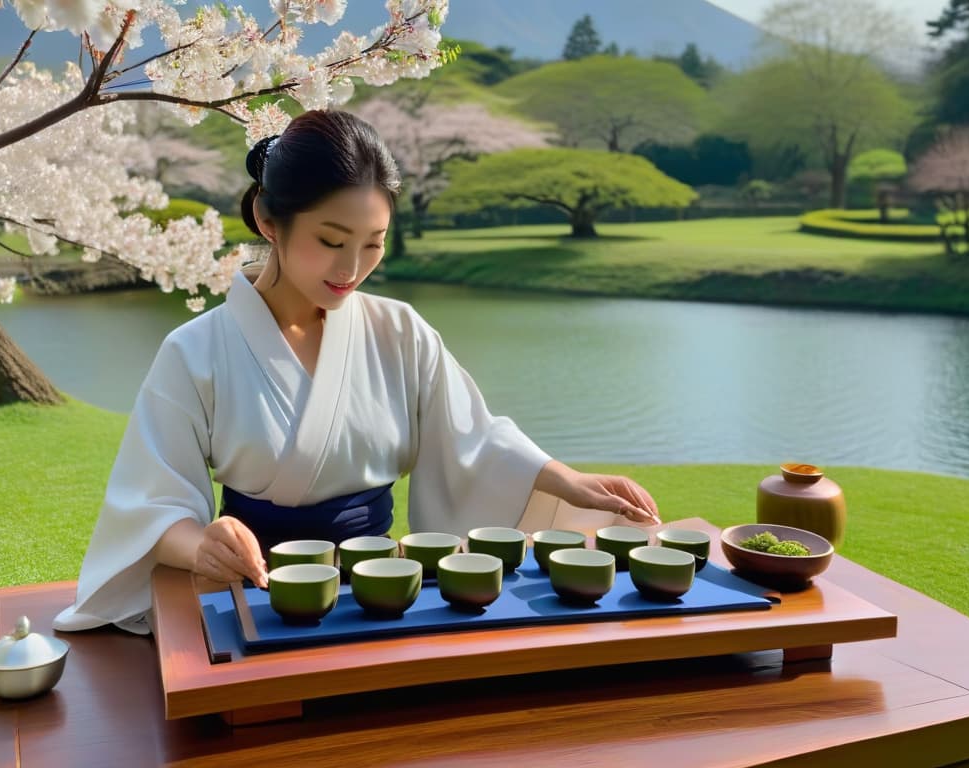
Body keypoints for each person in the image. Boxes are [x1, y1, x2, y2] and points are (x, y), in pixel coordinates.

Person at [52, 109, 660, 636]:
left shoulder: (400, 331)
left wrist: (565, 481)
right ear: (269, 220)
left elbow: (474, 436)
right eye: (331, 239)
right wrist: (202, 543)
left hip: (387, 589)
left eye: (374, 242)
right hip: (260, 592)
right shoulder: (194, 350)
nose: (352, 267)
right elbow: (151, 503)